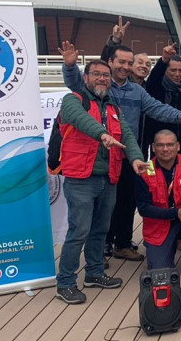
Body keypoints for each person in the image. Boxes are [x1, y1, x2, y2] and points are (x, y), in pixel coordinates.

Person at [59, 40, 181, 263]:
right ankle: (101, 249)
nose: (125, 66)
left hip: (128, 156)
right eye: (121, 62)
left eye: (129, 62)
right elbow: (77, 84)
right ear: (111, 62)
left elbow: (156, 108)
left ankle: (122, 243)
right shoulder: (100, 87)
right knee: (93, 211)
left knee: (126, 201)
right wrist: (69, 66)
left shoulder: (136, 90)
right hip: (95, 157)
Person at [55, 60, 148, 304]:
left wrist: (136, 159)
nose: (102, 79)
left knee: (100, 230)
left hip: (109, 177)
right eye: (96, 74)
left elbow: (127, 133)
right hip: (81, 179)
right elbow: (79, 120)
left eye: (106, 75)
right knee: (79, 231)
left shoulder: (112, 107)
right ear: (85, 78)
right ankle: (65, 282)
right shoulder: (74, 100)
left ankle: (94, 273)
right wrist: (102, 134)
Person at [135, 130, 181, 279]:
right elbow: (143, 209)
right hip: (159, 224)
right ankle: (163, 246)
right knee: (161, 271)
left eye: (170, 145)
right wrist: (176, 212)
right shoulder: (143, 171)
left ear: (177, 146)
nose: (165, 149)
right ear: (153, 147)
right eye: (160, 145)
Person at [146, 44, 181, 156]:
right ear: (165, 70)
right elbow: (155, 76)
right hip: (162, 143)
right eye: (173, 70)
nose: (177, 74)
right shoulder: (156, 87)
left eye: (180, 70)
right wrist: (164, 60)